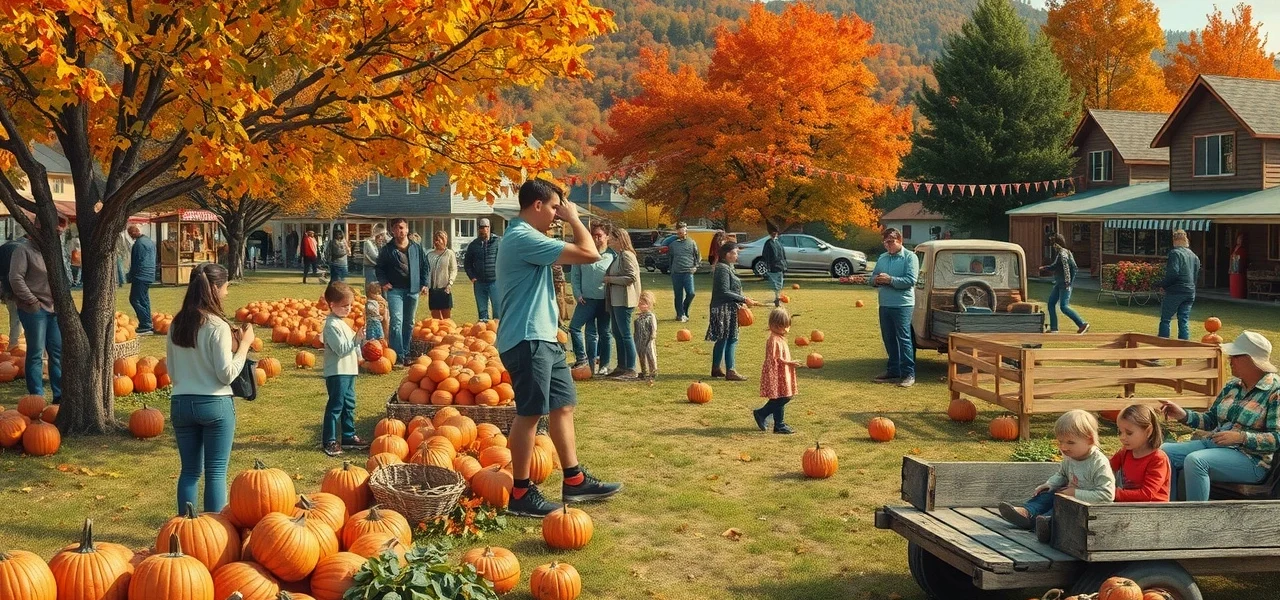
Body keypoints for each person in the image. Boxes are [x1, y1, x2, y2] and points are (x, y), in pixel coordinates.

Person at [495, 179, 622, 517]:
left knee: (562, 406)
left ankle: (574, 479)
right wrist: (575, 218)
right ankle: (520, 493)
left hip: (544, 337)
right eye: (553, 208)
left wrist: (566, 216)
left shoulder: (528, 236)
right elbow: (590, 254)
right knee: (530, 414)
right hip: (526, 338)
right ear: (537, 205)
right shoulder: (522, 236)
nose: (556, 215)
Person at [165, 262, 252, 513]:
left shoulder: (176, 324)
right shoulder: (217, 325)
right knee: (215, 472)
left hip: (181, 403)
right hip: (214, 403)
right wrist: (244, 345)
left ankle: (186, 526)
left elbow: (171, 370)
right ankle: (215, 526)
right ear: (214, 288)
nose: (226, 293)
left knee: (190, 471)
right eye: (225, 287)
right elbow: (226, 375)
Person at [1158, 331, 1280, 501]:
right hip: (1213, 446)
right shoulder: (1233, 386)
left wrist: (1240, 437)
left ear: (1251, 360)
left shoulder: (1275, 392)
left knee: (1196, 461)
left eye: (1235, 356)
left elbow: (1277, 438)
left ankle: (1196, 521)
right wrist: (1183, 415)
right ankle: (1164, 509)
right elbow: (1211, 420)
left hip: (1252, 460)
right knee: (1162, 453)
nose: (1230, 360)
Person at [999, 410, 1115, 531]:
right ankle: (1027, 513)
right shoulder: (1070, 457)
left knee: (1063, 506)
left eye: (1070, 442)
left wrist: (1074, 494)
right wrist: (1051, 484)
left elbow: (1106, 495)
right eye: (1060, 442)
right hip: (1068, 496)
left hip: (1089, 507)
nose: (1063, 447)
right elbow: (1062, 474)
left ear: (1089, 440)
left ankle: (1047, 523)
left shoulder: (1098, 463)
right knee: (1048, 495)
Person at [854, 228, 920, 387]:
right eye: (885, 242)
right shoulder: (882, 258)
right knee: (888, 338)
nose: (887, 245)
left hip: (903, 304)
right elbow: (871, 279)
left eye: (890, 242)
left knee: (904, 339)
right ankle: (893, 370)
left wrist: (890, 280)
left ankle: (908, 374)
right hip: (885, 304)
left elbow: (911, 280)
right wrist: (876, 280)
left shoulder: (910, 257)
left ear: (900, 241)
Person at [10, 219, 66, 402]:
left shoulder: (53, 251)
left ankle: (59, 395)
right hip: (34, 309)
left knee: (56, 352)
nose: (56, 235)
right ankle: (36, 396)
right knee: (35, 352)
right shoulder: (23, 250)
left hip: (54, 309)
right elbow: (16, 278)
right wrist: (32, 300)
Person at [321, 281, 367, 456]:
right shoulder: (331, 325)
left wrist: (360, 354)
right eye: (344, 306)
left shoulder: (343, 323)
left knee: (349, 404)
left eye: (350, 305)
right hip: (337, 372)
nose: (348, 309)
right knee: (336, 405)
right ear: (332, 305)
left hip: (348, 371)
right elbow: (340, 349)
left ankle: (348, 435)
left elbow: (352, 346)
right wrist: (356, 339)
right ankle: (330, 440)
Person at [375, 218, 430, 364]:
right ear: (392, 231)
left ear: (407, 229)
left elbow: (425, 266)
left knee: (409, 322)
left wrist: (424, 283)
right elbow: (379, 267)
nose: (400, 231)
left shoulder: (416, 248)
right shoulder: (387, 249)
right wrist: (384, 282)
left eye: (402, 227)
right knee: (396, 322)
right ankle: (397, 355)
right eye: (397, 228)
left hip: (413, 290)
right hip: (395, 291)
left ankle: (405, 352)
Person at [707, 242, 762, 381]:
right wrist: (743, 299)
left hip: (729, 307)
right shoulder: (722, 269)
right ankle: (730, 371)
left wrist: (745, 300)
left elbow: (733, 288)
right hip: (723, 308)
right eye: (735, 252)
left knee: (723, 338)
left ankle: (716, 368)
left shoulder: (728, 267)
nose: (737, 255)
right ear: (727, 254)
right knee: (731, 338)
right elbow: (724, 291)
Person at [568, 222, 614, 375]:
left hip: (604, 300)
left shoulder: (612, 256)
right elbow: (575, 275)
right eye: (593, 236)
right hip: (586, 300)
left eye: (599, 236)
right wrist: (578, 293)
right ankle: (583, 359)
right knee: (575, 327)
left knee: (605, 332)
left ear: (607, 237)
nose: (596, 239)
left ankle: (604, 365)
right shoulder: (583, 253)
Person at [753, 307, 801, 434]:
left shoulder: (780, 337)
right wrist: (790, 363)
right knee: (785, 397)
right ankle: (761, 413)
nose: (785, 330)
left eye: (787, 326)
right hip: (777, 372)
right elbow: (775, 359)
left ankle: (779, 424)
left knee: (781, 396)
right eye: (781, 327)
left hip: (783, 371)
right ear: (773, 325)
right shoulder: (773, 339)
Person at [1110, 404, 1171, 502]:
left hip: (1154, 511)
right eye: (1120, 432)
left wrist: (1112, 493)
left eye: (1129, 433)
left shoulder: (1158, 459)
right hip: (1130, 507)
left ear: (1148, 431)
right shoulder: (1125, 452)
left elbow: (1146, 494)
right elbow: (1107, 467)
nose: (1122, 437)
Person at [603, 226, 641, 379]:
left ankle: (631, 368)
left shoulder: (627, 255)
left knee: (625, 334)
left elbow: (631, 277)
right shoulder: (618, 255)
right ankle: (622, 366)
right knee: (617, 333)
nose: (609, 240)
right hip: (615, 300)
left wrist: (609, 279)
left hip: (624, 301)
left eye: (611, 238)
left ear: (619, 239)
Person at [1040, 233, 1089, 335]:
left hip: (1064, 284)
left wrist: (1068, 282)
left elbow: (1068, 268)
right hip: (1059, 283)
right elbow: (1056, 266)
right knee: (1051, 304)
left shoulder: (1063, 253)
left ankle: (1082, 324)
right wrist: (1045, 268)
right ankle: (1054, 328)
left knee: (1064, 306)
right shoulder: (1063, 253)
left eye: (1054, 243)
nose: (1053, 246)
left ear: (1058, 244)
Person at [1156, 229, 1200, 341]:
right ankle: (1183, 347)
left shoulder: (1175, 253)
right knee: (1183, 319)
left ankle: (1162, 345)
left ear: (1174, 240)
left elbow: (1173, 273)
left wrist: (1163, 285)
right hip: (1190, 291)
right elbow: (1195, 275)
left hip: (1176, 290)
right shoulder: (1194, 256)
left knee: (1166, 319)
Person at [465, 217, 501, 321]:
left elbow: (504, 259)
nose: (483, 230)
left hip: (495, 282)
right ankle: (484, 334)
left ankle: (497, 335)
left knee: (497, 312)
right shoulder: (473, 245)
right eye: (481, 227)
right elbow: (467, 263)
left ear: (489, 228)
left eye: (485, 227)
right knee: (482, 313)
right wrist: (472, 277)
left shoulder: (497, 242)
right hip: (479, 283)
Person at [128, 225, 157, 335]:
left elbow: (136, 262)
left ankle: (146, 324)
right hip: (149, 274)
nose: (131, 237)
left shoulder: (138, 244)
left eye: (131, 234)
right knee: (144, 299)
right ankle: (147, 322)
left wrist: (131, 275)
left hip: (141, 275)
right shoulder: (150, 242)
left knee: (134, 299)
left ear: (133, 233)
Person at [668, 222, 699, 322]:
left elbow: (697, 256)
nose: (681, 231)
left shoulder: (692, 242)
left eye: (683, 229)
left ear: (686, 230)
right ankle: (680, 314)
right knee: (678, 294)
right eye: (679, 230)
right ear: (676, 231)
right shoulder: (673, 245)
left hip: (688, 271)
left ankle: (684, 309)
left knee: (691, 293)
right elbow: (670, 259)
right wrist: (671, 270)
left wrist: (696, 266)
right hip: (676, 273)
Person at [426, 230, 458, 320]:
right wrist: (425, 285)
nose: (437, 242)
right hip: (433, 289)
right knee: (435, 318)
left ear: (444, 240)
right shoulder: (429, 254)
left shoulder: (449, 253)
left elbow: (453, 269)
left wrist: (450, 283)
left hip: (445, 289)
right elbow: (426, 270)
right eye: (436, 240)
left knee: (446, 319)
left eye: (439, 240)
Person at [0, 237, 24, 349]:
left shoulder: (5, 247)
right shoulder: (24, 249)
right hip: (22, 287)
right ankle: (16, 345)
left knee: (14, 316)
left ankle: (14, 344)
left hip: (8, 286)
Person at [633, 291, 658, 380]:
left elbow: (653, 326)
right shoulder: (639, 317)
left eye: (643, 304)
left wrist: (653, 334)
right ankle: (643, 371)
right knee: (640, 355)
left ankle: (653, 371)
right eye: (640, 304)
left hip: (648, 339)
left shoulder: (651, 316)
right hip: (639, 339)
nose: (640, 306)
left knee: (650, 354)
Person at [761, 224, 788, 307]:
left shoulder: (778, 243)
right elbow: (765, 256)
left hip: (780, 266)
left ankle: (778, 297)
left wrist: (785, 264)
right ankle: (777, 298)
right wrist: (767, 266)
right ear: (770, 234)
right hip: (772, 266)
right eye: (773, 233)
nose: (774, 234)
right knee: (775, 284)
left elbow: (783, 254)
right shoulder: (768, 243)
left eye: (775, 232)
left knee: (780, 283)